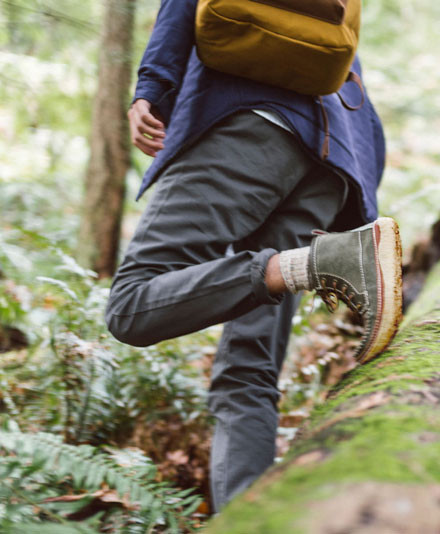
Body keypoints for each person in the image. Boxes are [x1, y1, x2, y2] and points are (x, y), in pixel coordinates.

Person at [103, 0, 401, 513]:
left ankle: (316, 264)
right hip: (336, 154)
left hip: (245, 124)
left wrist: (151, 89)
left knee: (130, 304)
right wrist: (356, 190)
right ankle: (245, 520)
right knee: (250, 368)